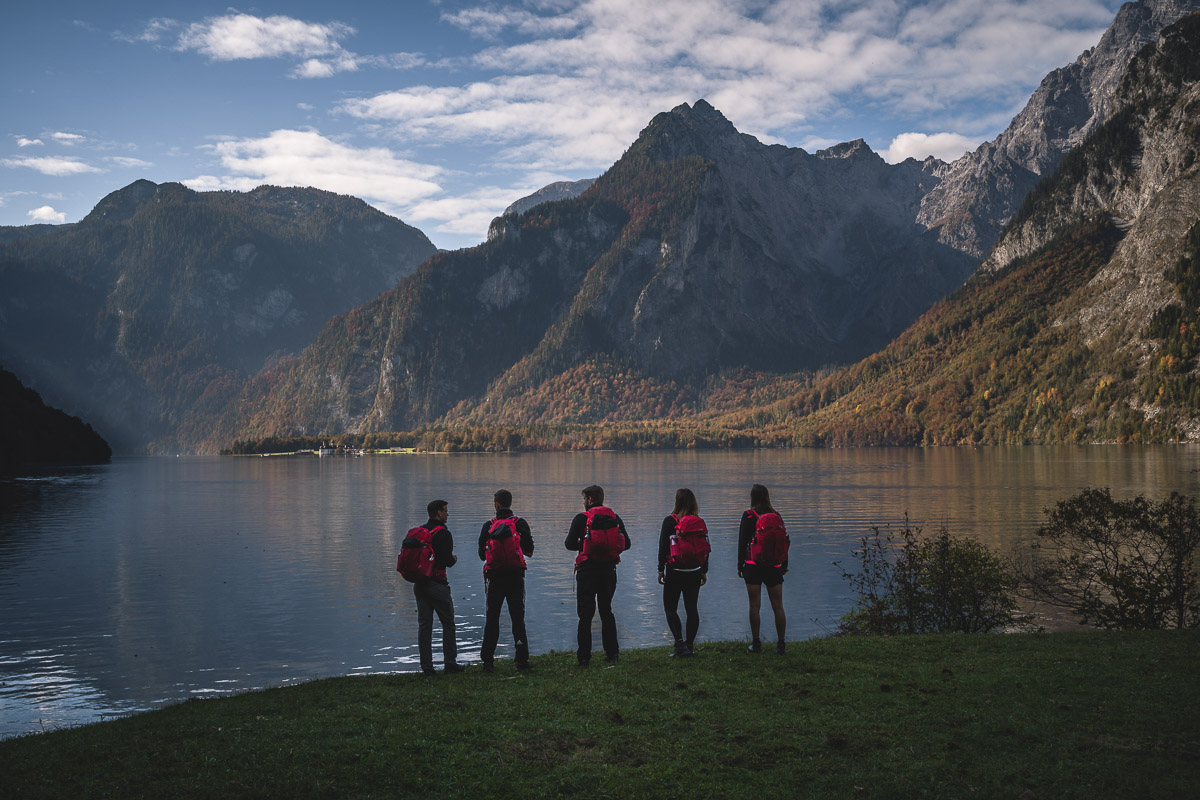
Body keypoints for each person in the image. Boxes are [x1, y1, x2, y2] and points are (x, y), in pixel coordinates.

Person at [565, 484, 631, 666]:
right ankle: (612, 654)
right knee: (606, 611)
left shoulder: (581, 519)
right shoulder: (614, 518)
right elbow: (627, 544)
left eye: (585, 498)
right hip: (608, 570)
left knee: (585, 615)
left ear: (590, 500)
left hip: (587, 572)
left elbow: (569, 544)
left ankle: (584, 657)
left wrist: (584, 544)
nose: (584, 502)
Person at [477, 489, 535, 673]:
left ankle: (487, 661)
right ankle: (522, 660)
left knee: (492, 618)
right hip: (516, 577)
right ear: (510, 503)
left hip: (495, 577)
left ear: (496, 504)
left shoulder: (489, 525)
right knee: (518, 617)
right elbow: (530, 551)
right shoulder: (520, 523)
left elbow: (481, 555)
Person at [413, 499, 465, 674]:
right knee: (448, 623)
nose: (447, 513)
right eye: (445, 511)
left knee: (425, 626)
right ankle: (450, 663)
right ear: (438, 513)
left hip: (420, 584)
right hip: (438, 585)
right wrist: (454, 559)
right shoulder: (444, 533)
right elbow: (446, 561)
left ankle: (426, 666)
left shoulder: (421, 531)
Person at [658, 488, 710, 658]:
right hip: (694, 570)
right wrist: (704, 570)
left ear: (677, 502)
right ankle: (689, 645)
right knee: (692, 608)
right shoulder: (699, 522)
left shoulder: (669, 521)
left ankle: (680, 644)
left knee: (670, 608)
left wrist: (660, 569)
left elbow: (663, 548)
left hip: (675, 570)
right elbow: (705, 549)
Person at [738, 484, 788, 655]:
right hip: (774, 565)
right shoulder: (776, 515)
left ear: (752, 497)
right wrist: (783, 565)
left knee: (754, 606)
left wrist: (740, 566)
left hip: (753, 565)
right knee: (778, 606)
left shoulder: (749, 515)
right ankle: (781, 644)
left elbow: (742, 541)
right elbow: (783, 542)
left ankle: (756, 643)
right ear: (767, 496)